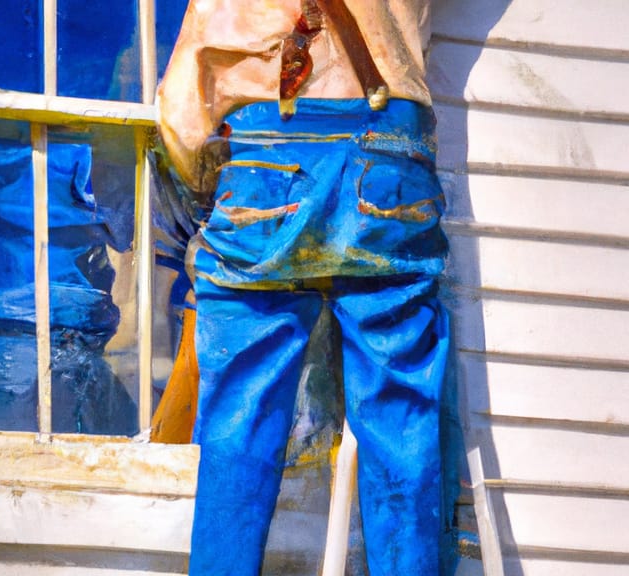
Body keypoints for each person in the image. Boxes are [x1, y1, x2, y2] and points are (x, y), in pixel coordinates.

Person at [157, 1, 458, 574]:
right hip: (388, 150)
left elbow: (182, 122)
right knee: (399, 417)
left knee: (239, 424)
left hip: (265, 156)